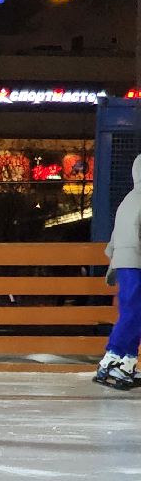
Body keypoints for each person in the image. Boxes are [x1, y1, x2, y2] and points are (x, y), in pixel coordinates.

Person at [98, 155, 141, 389]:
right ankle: (112, 357)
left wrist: (113, 261)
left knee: (133, 313)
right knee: (134, 314)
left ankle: (125, 363)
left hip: (126, 263)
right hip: (137, 262)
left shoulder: (128, 200)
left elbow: (116, 235)